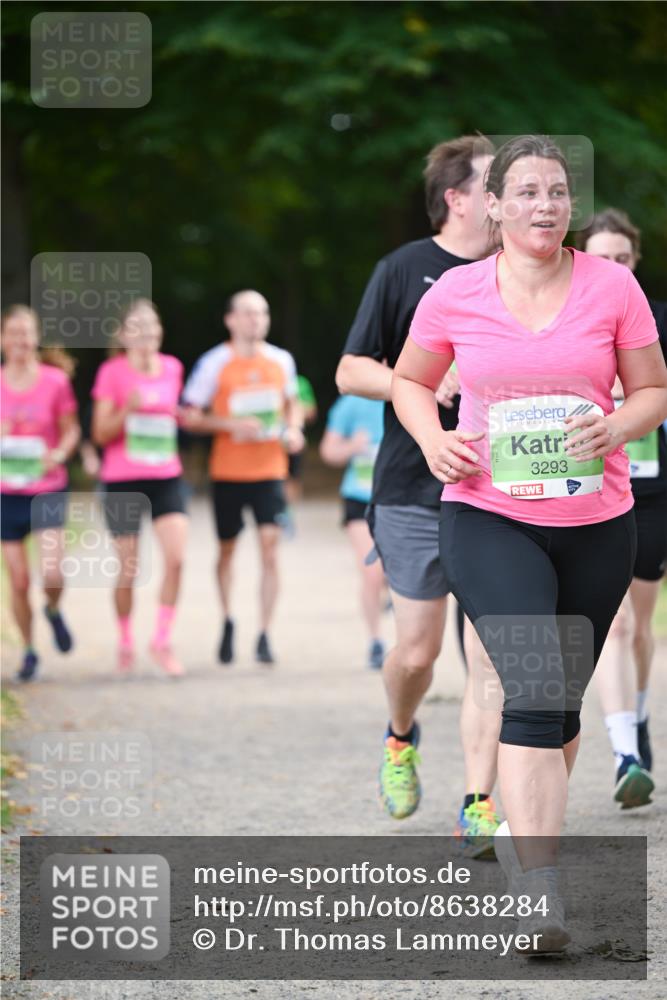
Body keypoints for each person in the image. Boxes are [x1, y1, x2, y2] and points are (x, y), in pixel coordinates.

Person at [392, 134, 667, 952]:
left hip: (594, 523)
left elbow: (651, 389)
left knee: (556, 711)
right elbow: (410, 379)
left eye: (556, 192)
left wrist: (615, 423)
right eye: (526, 192)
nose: (543, 205)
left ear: (567, 206)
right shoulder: (457, 294)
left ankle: (525, 841)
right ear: (493, 206)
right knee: (535, 689)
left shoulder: (612, 286)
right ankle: (539, 900)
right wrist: (432, 438)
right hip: (486, 515)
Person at [336, 135, 502, 856]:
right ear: (456, 198)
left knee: (491, 654)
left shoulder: (520, 272)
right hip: (413, 486)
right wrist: (426, 385)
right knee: (416, 650)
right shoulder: (404, 269)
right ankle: (400, 737)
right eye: (494, 185)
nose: (508, 199)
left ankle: (480, 799)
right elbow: (349, 370)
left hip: (500, 488)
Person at [578, 207, 666, 807]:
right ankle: (625, 751)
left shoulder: (657, 320)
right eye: (600, 257)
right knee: (617, 623)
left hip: (652, 490)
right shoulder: (570, 317)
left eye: (622, 258)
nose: (612, 267)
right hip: (592, 489)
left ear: (635, 261)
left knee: (640, 626)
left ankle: (637, 716)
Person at [181, 290, 304, 665]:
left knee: (270, 549)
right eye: (248, 313)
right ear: (230, 319)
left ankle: (265, 632)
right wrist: (230, 425)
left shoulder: (281, 360)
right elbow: (188, 415)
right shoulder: (214, 363)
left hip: (269, 471)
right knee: (227, 551)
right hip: (228, 472)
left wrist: (294, 429)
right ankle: (228, 619)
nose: (256, 320)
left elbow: (292, 404)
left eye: (262, 313)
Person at [91, 299, 188, 676]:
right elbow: (101, 433)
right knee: (128, 567)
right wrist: (126, 410)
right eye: (137, 327)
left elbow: (173, 415)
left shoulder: (173, 368)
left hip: (166, 476)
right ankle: (126, 640)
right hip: (122, 480)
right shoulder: (111, 373)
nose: (146, 334)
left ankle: (161, 640)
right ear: (122, 335)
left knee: (177, 559)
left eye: (151, 326)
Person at [1, 305, 80, 681]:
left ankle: (52, 609)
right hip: (6, 493)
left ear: (36, 338)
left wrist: (61, 453)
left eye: (26, 333)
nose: (20, 340)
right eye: (12, 333)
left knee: (52, 572)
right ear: (2, 340)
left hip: (47, 488)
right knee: (18, 580)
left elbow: (71, 430)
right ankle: (30, 651)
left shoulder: (54, 381)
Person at [320, 394, 386, 669]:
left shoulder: (415, 392)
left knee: (391, 574)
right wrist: (352, 446)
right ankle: (376, 641)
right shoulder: (352, 403)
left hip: (400, 498)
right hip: (359, 499)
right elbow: (328, 451)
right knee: (372, 572)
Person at [283, 373, 318, 535]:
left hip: (294, 437)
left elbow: (312, 413)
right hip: (271, 437)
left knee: (293, 477)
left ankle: (288, 515)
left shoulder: (300, 382)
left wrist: (294, 410)